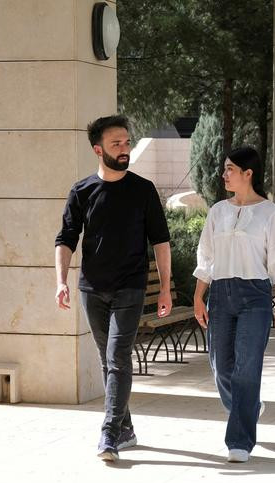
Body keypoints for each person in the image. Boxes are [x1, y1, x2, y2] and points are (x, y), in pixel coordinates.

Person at [54, 115, 172, 462]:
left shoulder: (143, 190)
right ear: (98, 149)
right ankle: (126, 428)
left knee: (118, 359)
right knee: (110, 363)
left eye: (126, 142)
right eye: (116, 144)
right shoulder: (82, 191)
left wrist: (165, 288)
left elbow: (161, 242)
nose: (125, 149)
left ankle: (108, 434)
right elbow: (65, 239)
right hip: (92, 289)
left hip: (130, 288)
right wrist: (60, 281)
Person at [193, 146, 275, 464]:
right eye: (224, 169)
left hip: (256, 296)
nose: (224, 174)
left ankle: (239, 440)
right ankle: (249, 405)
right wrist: (198, 296)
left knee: (247, 368)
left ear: (248, 173)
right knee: (221, 367)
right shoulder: (217, 211)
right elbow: (206, 256)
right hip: (221, 294)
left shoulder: (270, 213)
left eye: (230, 169)